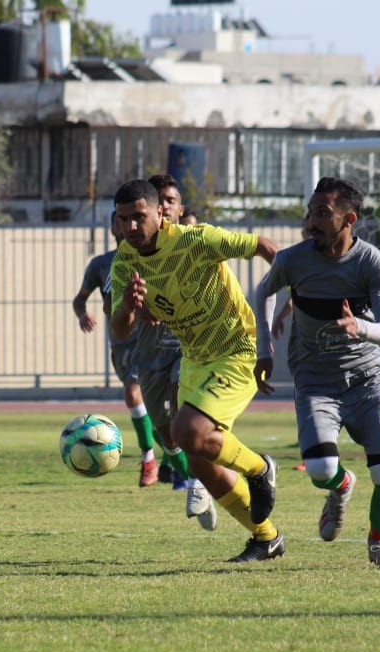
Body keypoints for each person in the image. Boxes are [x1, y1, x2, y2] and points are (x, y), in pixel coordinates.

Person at [110, 179, 282, 562]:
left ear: (160, 212)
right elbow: (119, 329)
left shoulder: (196, 240)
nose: (130, 227)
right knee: (198, 458)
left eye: (138, 217)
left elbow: (263, 246)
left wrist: (295, 296)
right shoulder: (125, 259)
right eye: (123, 220)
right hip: (194, 359)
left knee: (187, 431)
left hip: (236, 349)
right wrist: (127, 308)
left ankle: (259, 469)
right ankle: (266, 537)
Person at [252, 176, 380, 570]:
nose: (312, 221)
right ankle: (342, 485)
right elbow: (263, 291)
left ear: (348, 219)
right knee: (321, 470)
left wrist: (360, 327)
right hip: (316, 382)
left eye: (322, 213)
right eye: (310, 212)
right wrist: (264, 349)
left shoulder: (370, 262)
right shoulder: (292, 260)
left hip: (369, 379)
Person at [139, 173, 217, 529]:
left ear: (179, 208)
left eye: (171, 201)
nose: (166, 207)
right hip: (150, 353)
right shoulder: (134, 250)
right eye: (160, 201)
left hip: (190, 349)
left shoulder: (195, 244)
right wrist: (135, 306)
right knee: (166, 432)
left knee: (182, 409)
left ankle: (199, 482)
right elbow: (118, 312)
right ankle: (192, 474)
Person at [72, 211, 161, 487]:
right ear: (113, 227)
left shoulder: (148, 257)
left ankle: (149, 461)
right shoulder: (100, 264)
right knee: (150, 412)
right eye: (120, 220)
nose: (126, 226)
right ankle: (178, 464)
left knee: (133, 394)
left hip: (146, 341)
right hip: (120, 345)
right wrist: (82, 314)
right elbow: (80, 299)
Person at [269, 218, 313, 472]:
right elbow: (295, 295)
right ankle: (313, 453)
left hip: (327, 342)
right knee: (304, 392)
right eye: (306, 230)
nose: (308, 234)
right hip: (303, 340)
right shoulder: (301, 259)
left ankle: (318, 452)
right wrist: (281, 317)